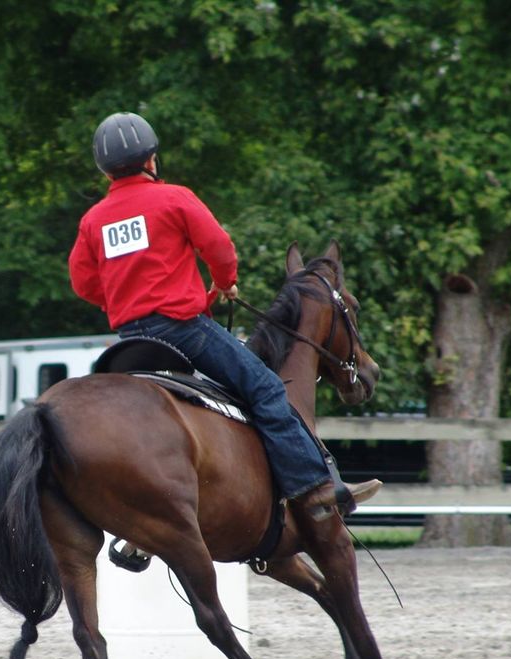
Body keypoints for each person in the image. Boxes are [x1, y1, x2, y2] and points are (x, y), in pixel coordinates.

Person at [68, 111, 373, 523]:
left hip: (129, 341)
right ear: (152, 160)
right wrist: (224, 283)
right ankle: (314, 486)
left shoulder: (93, 221)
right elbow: (220, 248)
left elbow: (83, 284)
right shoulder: (174, 198)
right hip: (182, 331)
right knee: (266, 388)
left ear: (105, 172)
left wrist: (121, 298)